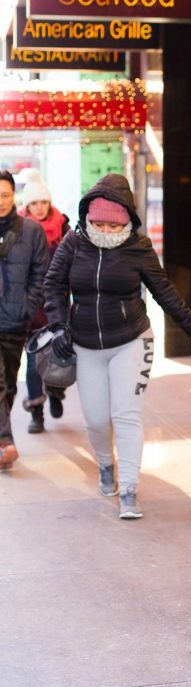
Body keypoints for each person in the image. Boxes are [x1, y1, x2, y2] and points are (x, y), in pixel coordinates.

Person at [43, 173, 191, 519]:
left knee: (126, 414)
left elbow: (164, 291)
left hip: (130, 340)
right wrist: (59, 327)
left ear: (126, 219)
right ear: (87, 216)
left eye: (111, 223)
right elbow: (53, 285)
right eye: (97, 222)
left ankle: (130, 488)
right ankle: (106, 465)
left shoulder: (138, 247)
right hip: (85, 344)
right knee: (96, 419)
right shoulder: (74, 244)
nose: (104, 230)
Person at [0, 170, 50, 470]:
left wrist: (26, 308)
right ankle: (5, 442)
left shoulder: (31, 231)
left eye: (5, 195)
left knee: (8, 385)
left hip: (15, 322)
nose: (0, 202)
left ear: (14, 196)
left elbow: (41, 275)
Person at [19, 176, 70, 434]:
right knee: (33, 360)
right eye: (34, 203)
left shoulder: (63, 227)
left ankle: (56, 392)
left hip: (57, 304)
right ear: (27, 206)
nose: (39, 207)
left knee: (60, 354)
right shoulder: (19, 229)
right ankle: (37, 413)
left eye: (44, 202)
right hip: (30, 305)